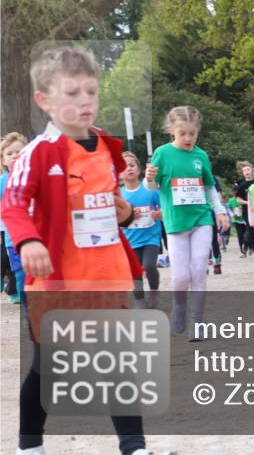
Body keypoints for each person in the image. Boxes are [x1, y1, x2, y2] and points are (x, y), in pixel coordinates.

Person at [3, 45, 154, 455]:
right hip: (58, 281)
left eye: (91, 92)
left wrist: (122, 214)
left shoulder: (107, 147)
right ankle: (30, 445)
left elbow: (105, 205)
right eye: (72, 93)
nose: (84, 101)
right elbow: (13, 203)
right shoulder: (39, 152)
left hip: (108, 276)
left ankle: (134, 446)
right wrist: (29, 240)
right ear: (45, 101)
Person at [146, 105, 230, 340]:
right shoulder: (162, 153)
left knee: (199, 270)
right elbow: (152, 188)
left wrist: (220, 211)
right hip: (175, 223)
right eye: (183, 133)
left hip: (202, 218)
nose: (188, 138)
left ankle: (198, 321)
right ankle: (180, 306)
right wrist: (148, 179)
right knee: (181, 276)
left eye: (192, 134)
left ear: (197, 131)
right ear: (172, 130)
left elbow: (209, 187)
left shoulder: (200, 156)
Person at [120, 151, 164, 308]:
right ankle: (139, 299)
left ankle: (154, 291)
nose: (129, 169)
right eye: (124, 166)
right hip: (130, 239)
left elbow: (165, 210)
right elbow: (114, 219)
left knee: (150, 265)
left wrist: (160, 215)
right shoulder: (118, 195)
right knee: (135, 271)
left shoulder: (151, 190)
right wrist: (128, 217)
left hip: (151, 237)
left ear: (139, 170)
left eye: (132, 165)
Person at [1, 132, 27, 304]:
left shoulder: (34, 178)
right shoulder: (2, 182)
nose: (15, 156)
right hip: (13, 240)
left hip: (39, 237)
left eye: (19, 151)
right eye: (9, 153)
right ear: (3, 160)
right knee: (21, 275)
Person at [233, 161, 254, 257]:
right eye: (244, 170)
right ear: (242, 173)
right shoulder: (241, 185)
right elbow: (238, 199)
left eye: (248, 169)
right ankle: (246, 243)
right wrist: (248, 203)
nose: (247, 172)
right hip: (247, 210)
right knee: (250, 229)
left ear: (252, 170)